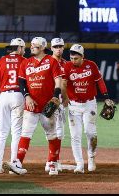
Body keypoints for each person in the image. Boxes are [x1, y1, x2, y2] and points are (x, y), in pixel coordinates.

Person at [4, 37, 64, 176]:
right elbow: (22, 83)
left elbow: (58, 80)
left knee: (52, 134)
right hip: (31, 105)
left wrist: (56, 96)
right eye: (31, 45)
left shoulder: (51, 61)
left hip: (48, 105)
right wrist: (27, 96)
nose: (31, 47)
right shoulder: (26, 62)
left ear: (42, 47)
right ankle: (18, 163)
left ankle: (52, 163)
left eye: (34, 45)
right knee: (25, 134)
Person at [63, 44, 112, 174]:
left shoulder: (91, 65)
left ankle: (91, 157)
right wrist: (64, 97)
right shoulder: (67, 66)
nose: (73, 60)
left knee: (90, 133)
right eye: (71, 58)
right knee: (75, 136)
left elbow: (100, 81)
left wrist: (106, 97)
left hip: (89, 104)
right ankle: (79, 164)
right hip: (74, 105)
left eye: (76, 58)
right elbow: (63, 84)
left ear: (82, 57)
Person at [0, 38, 25, 175]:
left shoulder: (1, 61)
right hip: (18, 96)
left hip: (4, 97)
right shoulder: (24, 61)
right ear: (19, 48)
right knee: (16, 132)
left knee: (1, 133)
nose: (24, 50)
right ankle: (14, 164)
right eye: (23, 48)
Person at [47, 37, 69, 173]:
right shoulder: (47, 62)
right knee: (51, 131)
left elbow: (67, 83)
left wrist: (66, 96)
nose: (58, 49)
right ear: (51, 48)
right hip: (50, 100)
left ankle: (55, 160)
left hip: (61, 101)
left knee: (60, 131)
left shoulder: (66, 63)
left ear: (63, 47)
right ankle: (51, 161)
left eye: (60, 46)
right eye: (56, 47)